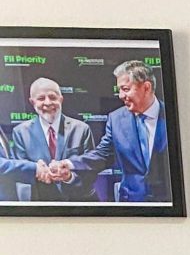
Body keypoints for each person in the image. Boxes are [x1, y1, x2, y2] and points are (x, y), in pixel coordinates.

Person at [68, 60, 171, 202]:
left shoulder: (175, 116)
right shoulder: (116, 119)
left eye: (126, 89)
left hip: (172, 206)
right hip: (131, 203)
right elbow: (103, 155)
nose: (121, 95)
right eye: (120, 90)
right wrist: (69, 164)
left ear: (146, 87)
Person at [9, 77, 94, 201]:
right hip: (38, 204)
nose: (48, 103)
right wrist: (37, 170)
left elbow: (90, 169)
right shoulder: (20, 132)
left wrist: (68, 177)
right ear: (32, 102)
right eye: (41, 98)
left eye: (53, 97)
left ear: (61, 99)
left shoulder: (81, 129)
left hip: (76, 203)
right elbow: (20, 171)